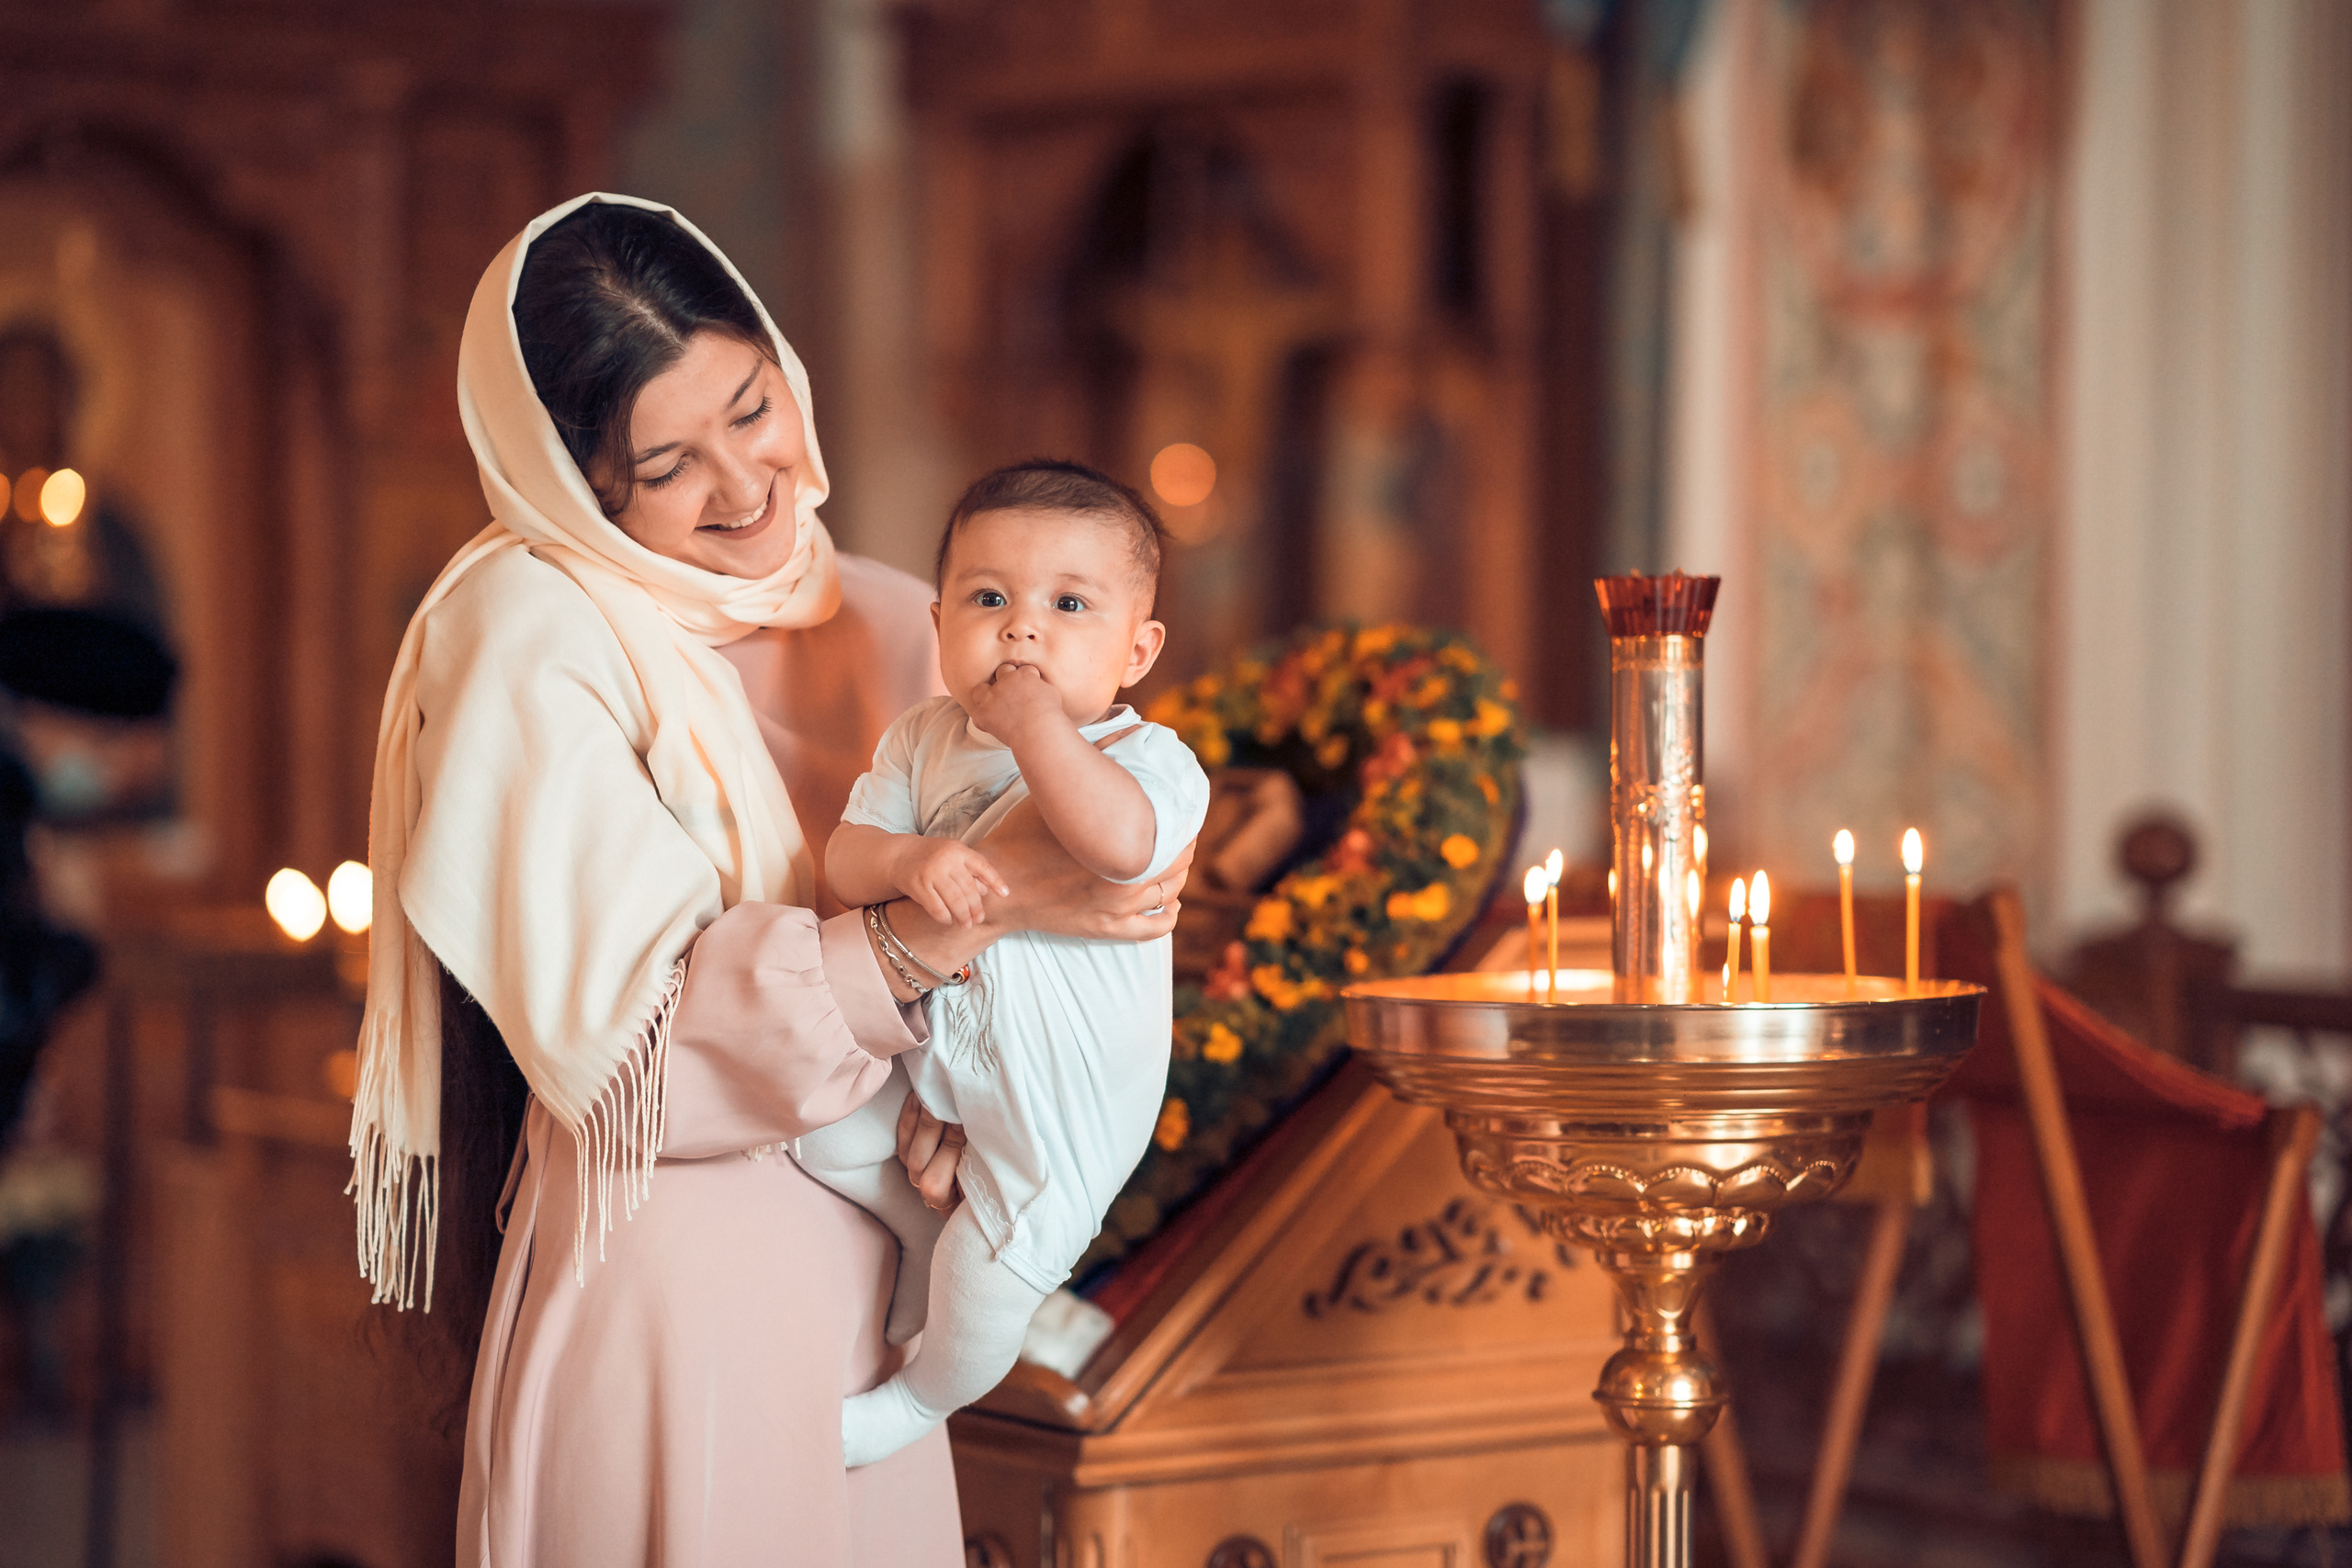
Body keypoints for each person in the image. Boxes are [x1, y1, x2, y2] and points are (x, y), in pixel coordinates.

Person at [347, 193, 1188, 1566]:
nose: (745, 488)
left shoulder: (890, 609)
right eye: (666, 459)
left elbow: (1074, 901)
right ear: (577, 481)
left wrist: (958, 1105)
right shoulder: (530, 634)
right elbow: (637, 1060)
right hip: (687, 1283)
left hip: (886, 1281)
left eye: (750, 408)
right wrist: (944, 932)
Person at [802, 461, 1209, 1465]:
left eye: (1069, 605)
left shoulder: (1151, 761)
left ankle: (916, 1404)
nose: (1022, 629)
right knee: (819, 1133)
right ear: (940, 625)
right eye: (990, 600)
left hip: (1060, 1105)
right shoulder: (921, 739)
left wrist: (1034, 727)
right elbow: (845, 860)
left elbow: (1117, 847)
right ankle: (912, 1226)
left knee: (993, 1284)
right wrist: (909, 859)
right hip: (934, 1065)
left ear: (1138, 647)